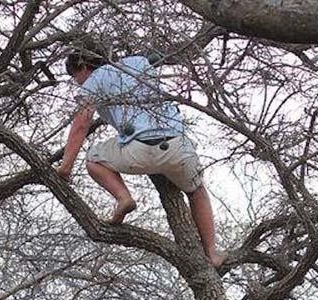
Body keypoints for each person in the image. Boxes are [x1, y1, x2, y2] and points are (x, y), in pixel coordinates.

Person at [57, 42, 225, 268]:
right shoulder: (139, 62)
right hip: (178, 145)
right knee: (197, 191)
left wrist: (66, 166)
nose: (76, 82)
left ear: (84, 67)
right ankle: (212, 253)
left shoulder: (93, 81)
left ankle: (123, 197)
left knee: (93, 157)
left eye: (74, 76)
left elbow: (80, 124)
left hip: (140, 149)